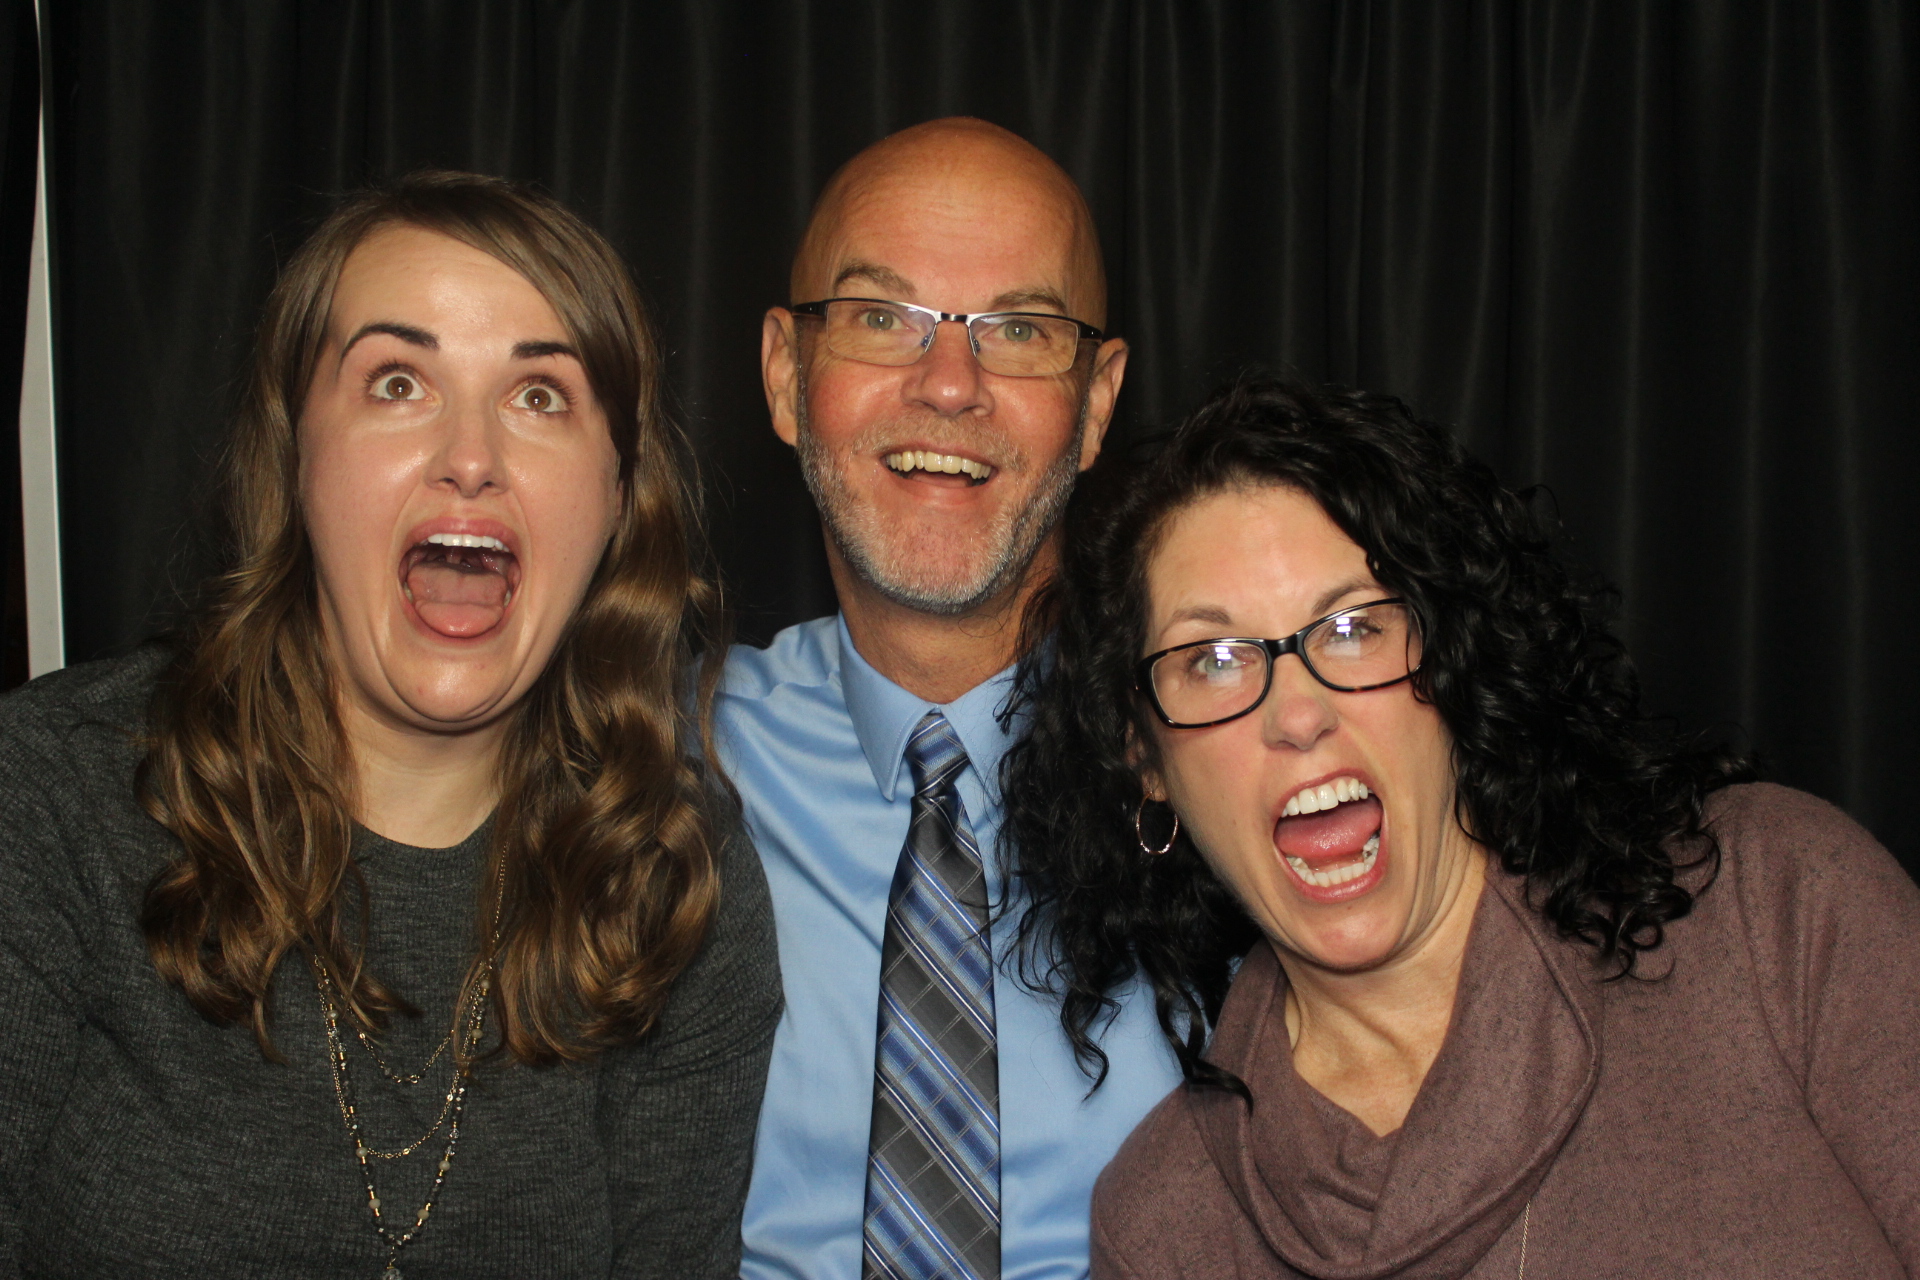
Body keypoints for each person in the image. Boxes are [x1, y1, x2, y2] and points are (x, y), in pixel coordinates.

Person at [0, 172, 780, 1279]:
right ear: (298, 458)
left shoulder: (674, 879)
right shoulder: (49, 795)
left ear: (615, 497)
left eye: (540, 395)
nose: (470, 455)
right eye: (398, 380)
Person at [1003, 376, 1920, 1279]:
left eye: (1355, 627)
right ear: (1144, 757)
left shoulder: (1777, 907)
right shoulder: (1165, 1228)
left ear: (1450, 663)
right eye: (1214, 659)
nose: (1298, 711)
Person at [720, 117, 1182, 1280]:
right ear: (786, 374)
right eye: (884, 318)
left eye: (1019, 332)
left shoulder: (1225, 756)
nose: (950, 384)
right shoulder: (651, 757)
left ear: (1094, 400)